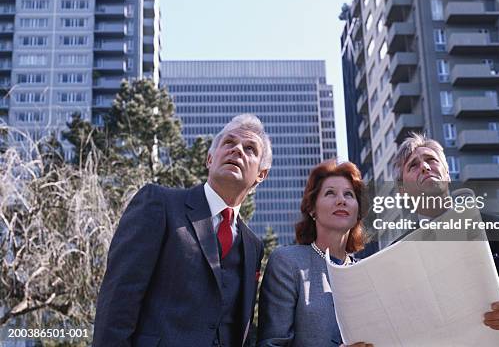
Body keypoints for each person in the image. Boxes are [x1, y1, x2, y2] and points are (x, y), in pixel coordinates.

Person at [93, 114, 272, 347]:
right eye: (229, 142)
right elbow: (118, 297)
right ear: (210, 158)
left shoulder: (253, 246)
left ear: (261, 174)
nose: (237, 149)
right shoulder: (159, 203)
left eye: (250, 149)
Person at [391, 132, 499, 346]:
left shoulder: (497, 228)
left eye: (431, 160)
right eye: (413, 165)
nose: (425, 167)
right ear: (403, 191)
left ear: (447, 173)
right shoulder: (397, 254)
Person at [257, 160, 372, 347]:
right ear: (312, 209)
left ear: (358, 211)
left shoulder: (368, 272)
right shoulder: (288, 263)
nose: (341, 200)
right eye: (330, 193)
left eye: (349, 195)